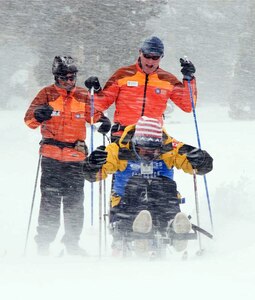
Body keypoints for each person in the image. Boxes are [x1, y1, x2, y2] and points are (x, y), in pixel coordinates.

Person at [83, 116, 213, 256]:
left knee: (165, 184)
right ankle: (137, 228)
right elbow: (93, 175)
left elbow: (202, 166)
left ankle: (173, 226)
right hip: (126, 202)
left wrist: (201, 160)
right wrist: (93, 164)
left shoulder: (171, 148)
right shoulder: (118, 150)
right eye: (144, 150)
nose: (149, 155)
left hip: (162, 201)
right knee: (136, 183)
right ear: (135, 143)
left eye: (154, 151)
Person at [24, 56, 111, 256]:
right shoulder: (46, 94)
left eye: (73, 77)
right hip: (51, 157)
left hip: (75, 157)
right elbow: (29, 120)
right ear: (57, 77)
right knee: (50, 202)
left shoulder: (82, 95)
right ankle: (43, 244)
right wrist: (39, 115)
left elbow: (96, 115)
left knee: (74, 203)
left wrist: (104, 122)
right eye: (65, 78)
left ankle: (72, 243)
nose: (69, 82)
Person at [84, 36, 197, 141]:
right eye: (147, 56)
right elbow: (99, 105)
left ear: (161, 57)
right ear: (140, 53)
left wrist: (189, 79)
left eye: (155, 57)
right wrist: (96, 90)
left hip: (154, 137)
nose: (150, 61)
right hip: (123, 135)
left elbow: (188, 105)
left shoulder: (168, 79)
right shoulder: (123, 74)